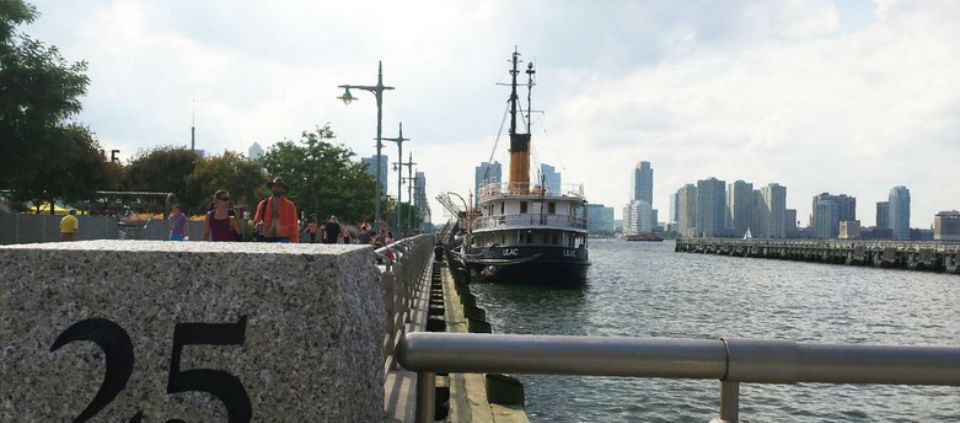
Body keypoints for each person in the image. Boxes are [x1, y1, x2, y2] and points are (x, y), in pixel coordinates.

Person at [253, 177, 299, 243]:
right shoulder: (263, 204)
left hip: (284, 238)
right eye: (274, 186)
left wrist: (295, 243)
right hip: (266, 238)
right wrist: (257, 226)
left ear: (283, 189)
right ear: (271, 188)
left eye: (279, 186)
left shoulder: (290, 206)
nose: (277, 188)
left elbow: (294, 226)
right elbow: (256, 222)